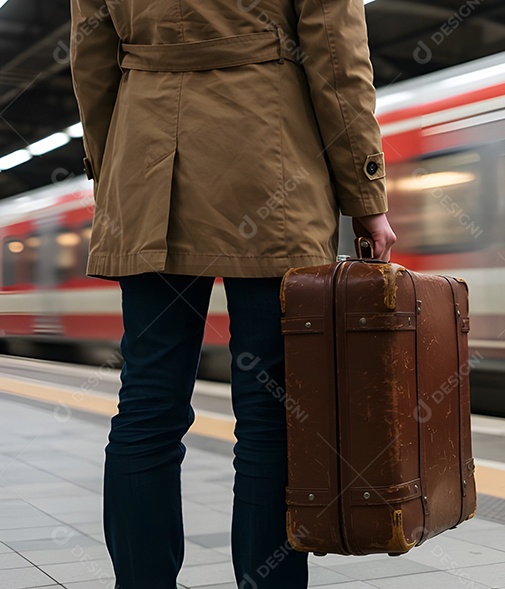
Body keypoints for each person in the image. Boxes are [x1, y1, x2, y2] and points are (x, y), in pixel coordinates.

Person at [69, 0, 394, 586]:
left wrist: (111, 172)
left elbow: (91, 58)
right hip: (270, 162)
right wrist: (365, 194)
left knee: (148, 403)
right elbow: (335, 54)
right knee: (270, 413)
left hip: (144, 167)